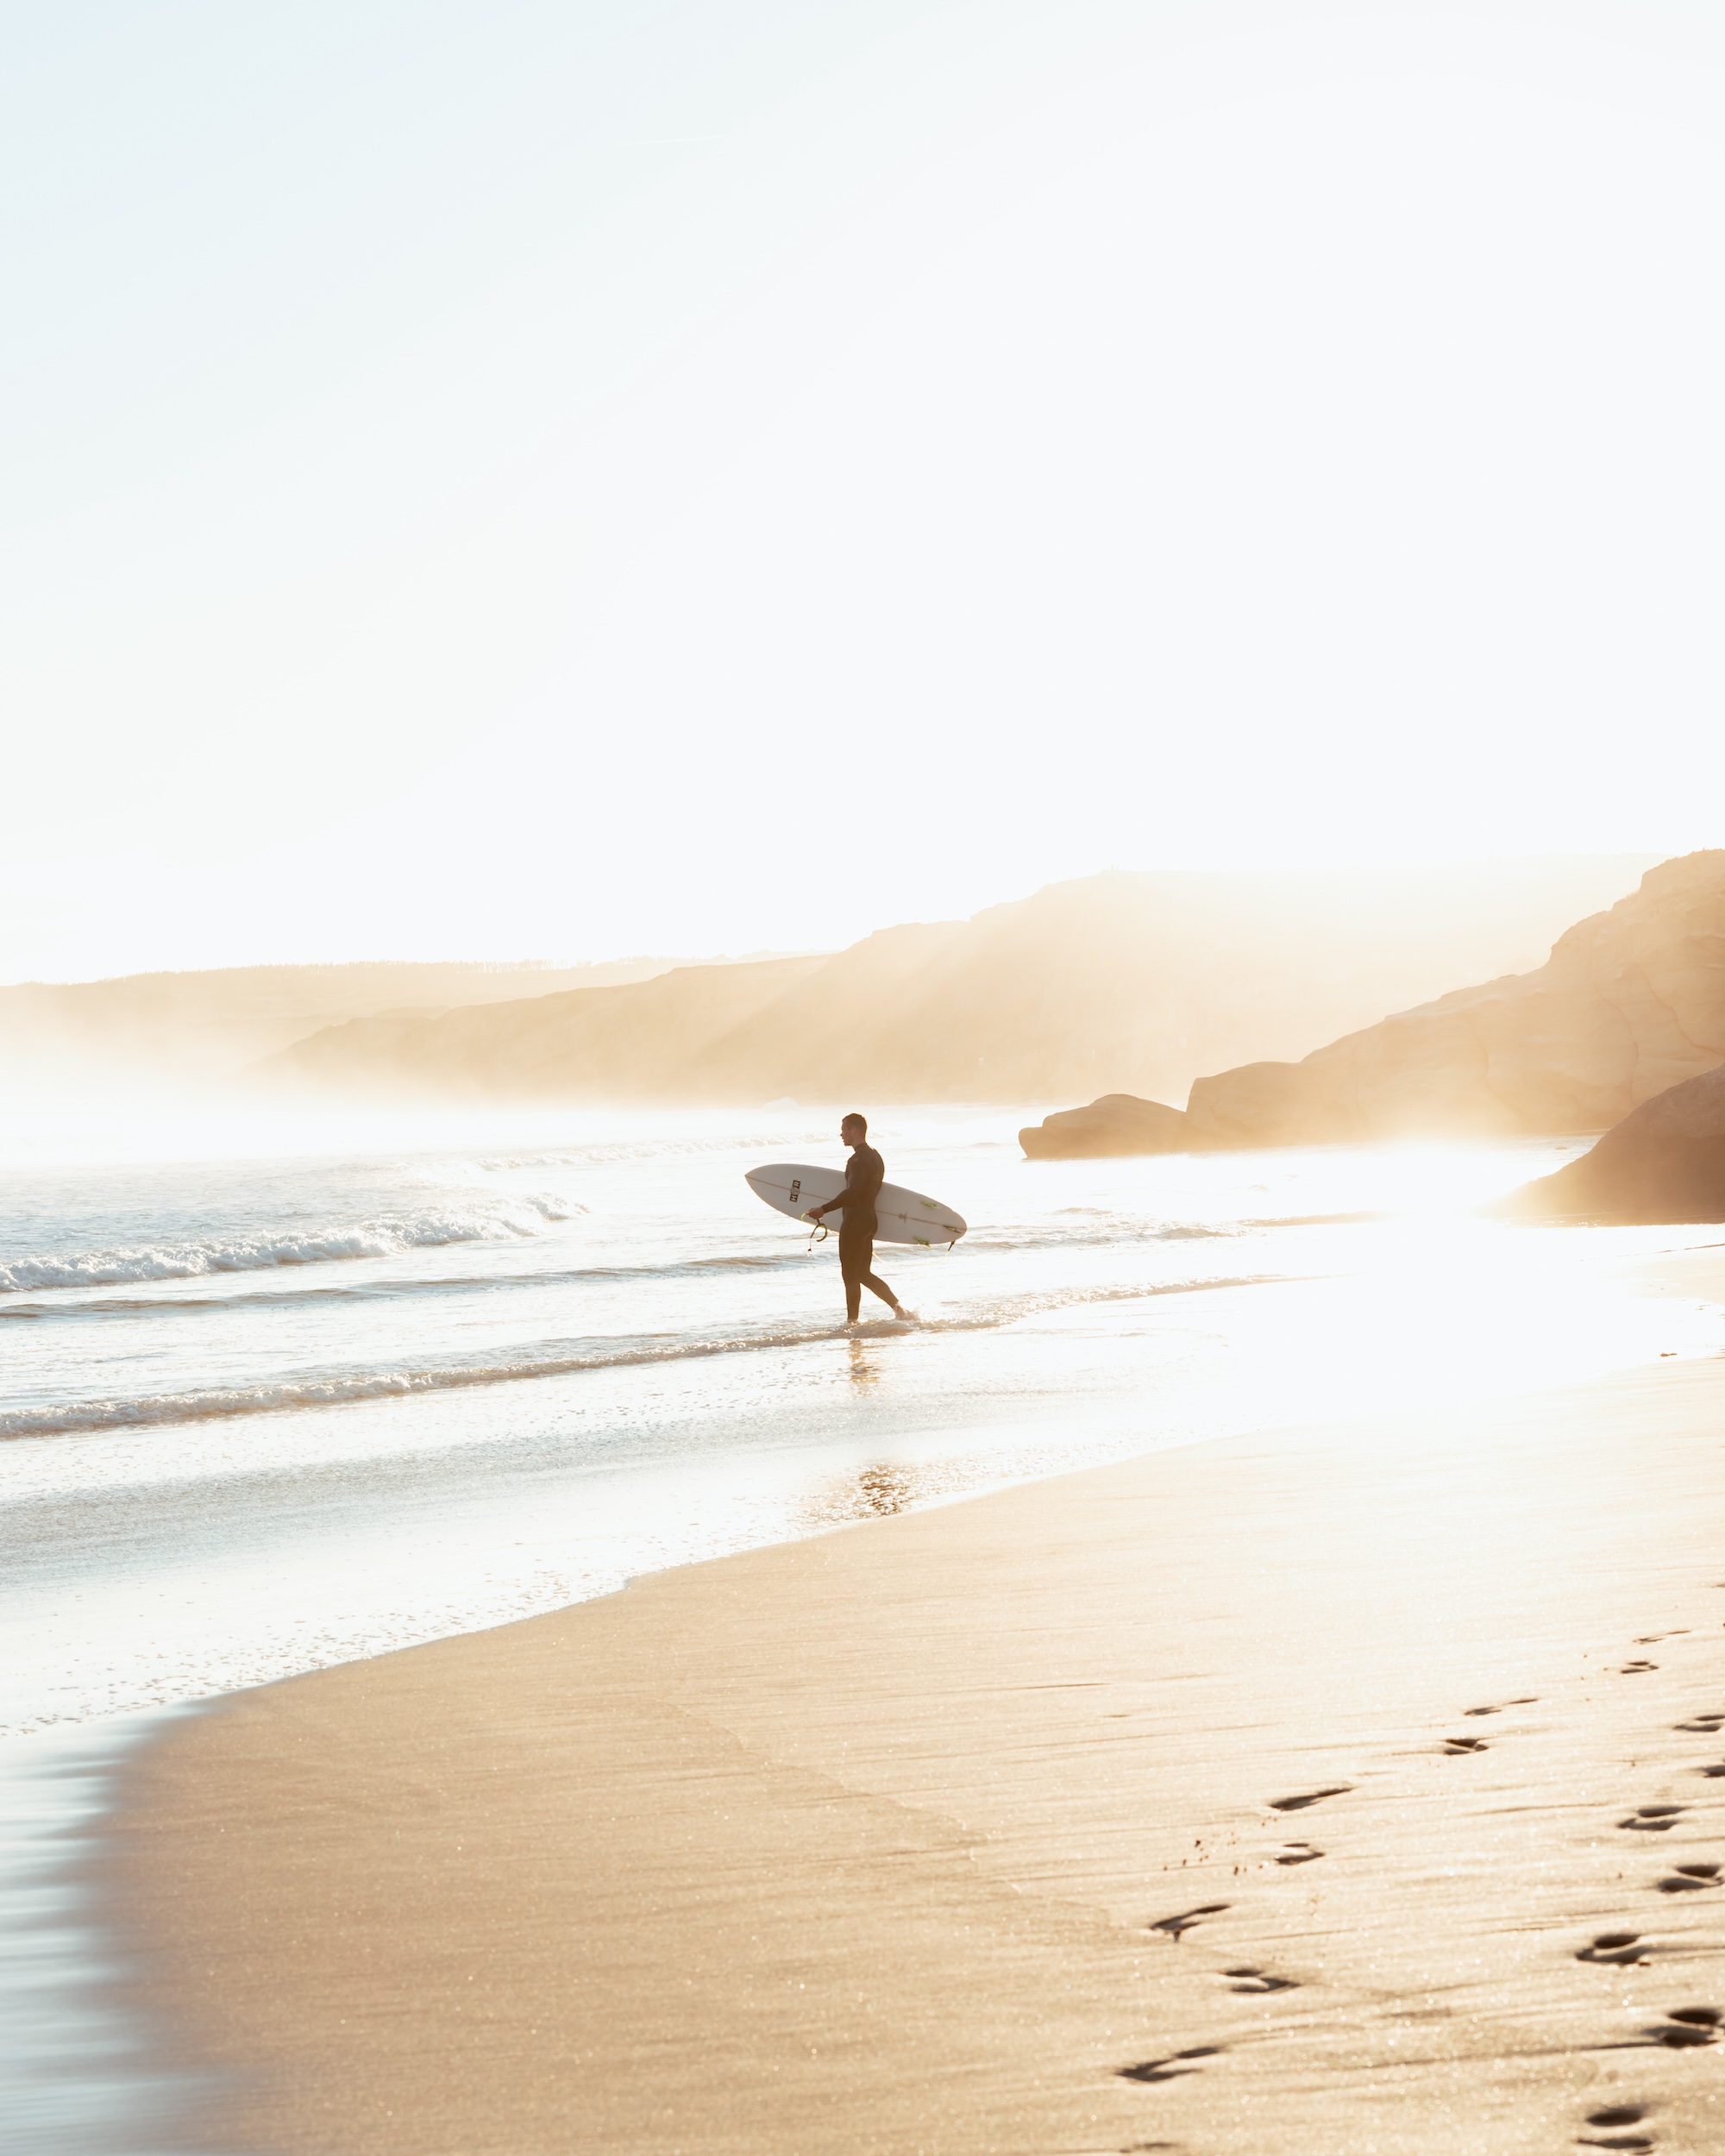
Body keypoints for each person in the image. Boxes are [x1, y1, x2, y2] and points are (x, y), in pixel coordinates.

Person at [807, 1112, 911, 1325]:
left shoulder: (857, 1160)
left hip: (854, 1223)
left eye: (844, 1129)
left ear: (854, 1130)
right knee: (863, 1273)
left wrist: (824, 1209)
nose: (841, 1134)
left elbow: (853, 1192)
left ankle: (852, 1322)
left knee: (850, 1275)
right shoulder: (875, 1156)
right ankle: (899, 1308)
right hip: (870, 1221)